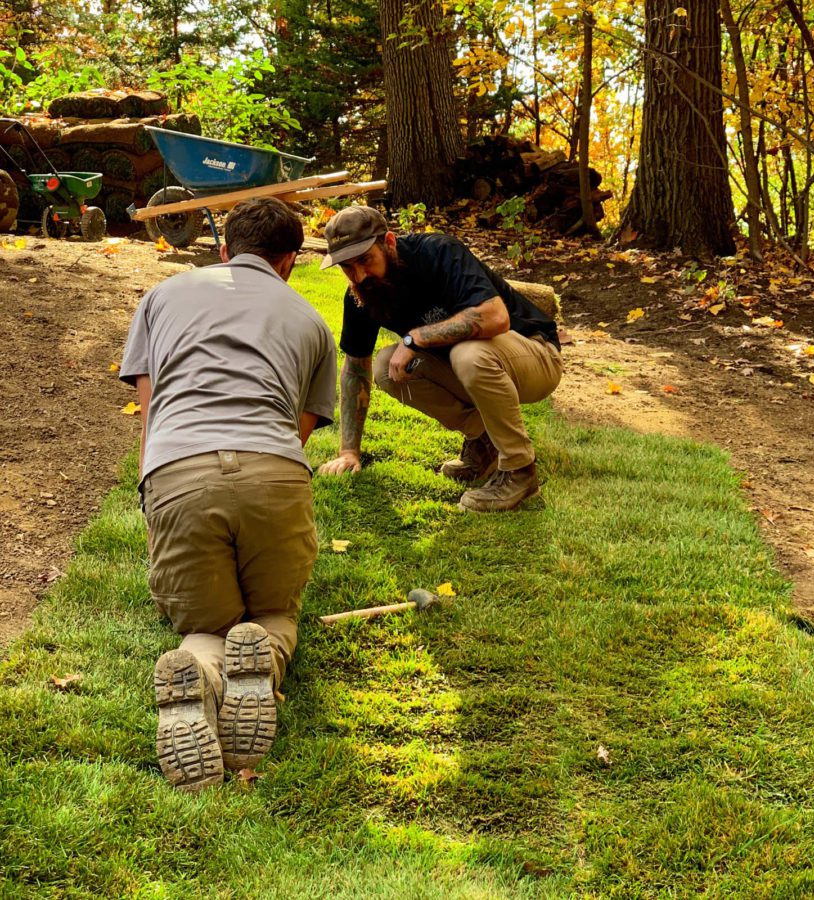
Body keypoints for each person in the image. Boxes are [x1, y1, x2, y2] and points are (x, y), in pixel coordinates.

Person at [119, 198, 337, 792]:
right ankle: (259, 662)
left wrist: (153, 489)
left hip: (178, 471)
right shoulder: (311, 320)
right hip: (273, 472)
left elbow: (150, 406)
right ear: (290, 261)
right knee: (269, 614)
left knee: (208, 622)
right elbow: (301, 429)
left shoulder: (163, 296)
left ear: (224, 249)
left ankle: (199, 672)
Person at [318, 206, 563, 512]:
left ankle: (519, 471)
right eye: (347, 267)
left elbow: (495, 317)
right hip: (473, 367)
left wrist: (415, 338)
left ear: (389, 243)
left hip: (535, 355)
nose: (360, 275)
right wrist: (348, 451)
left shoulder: (438, 252)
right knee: (385, 366)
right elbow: (356, 369)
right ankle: (485, 441)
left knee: (468, 353)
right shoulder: (362, 294)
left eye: (365, 260)